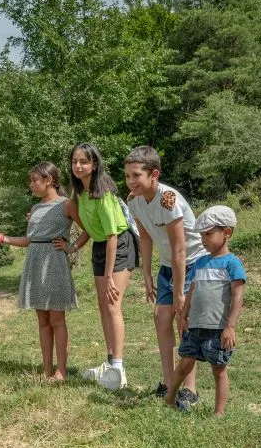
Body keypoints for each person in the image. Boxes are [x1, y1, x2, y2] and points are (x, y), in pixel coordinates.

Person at [124, 146, 208, 405]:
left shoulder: (167, 199)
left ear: (154, 174)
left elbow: (180, 249)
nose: (130, 181)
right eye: (127, 176)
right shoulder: (133, 201)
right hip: (167, 267)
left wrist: (180, 292)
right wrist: (146, 273)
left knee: (184, 321)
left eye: (136, 175)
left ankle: (190, 390)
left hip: (192, 263)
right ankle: (168, 381)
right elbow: (146, 237)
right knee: (161, 318)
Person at [0, 162, 78, 382]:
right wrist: (3, 239)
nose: (31, 185)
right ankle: (46, 369)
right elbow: (28, 240)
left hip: (54, 262)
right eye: (31, 180)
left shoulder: (66, 205)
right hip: (34, 264)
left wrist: (71, 247)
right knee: (42, 319)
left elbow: (88, 229)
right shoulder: (35, 209)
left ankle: (61, 371)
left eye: (35, 180)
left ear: (49, 180)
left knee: (56, 319)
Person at [55, 143, 138, 391]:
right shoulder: (78, 193)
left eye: (84, 162)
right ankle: (110, 361)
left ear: (94, 164)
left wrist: (111, 277)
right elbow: (89, 230)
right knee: (103, 305)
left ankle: (119, 370)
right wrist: (71, 247)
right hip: (101, 246)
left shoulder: (103, 194)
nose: (78, 166)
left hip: (119, 244)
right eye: (74, 162)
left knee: (113, 303)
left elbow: (112, 235)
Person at [165, 205, 245, 415]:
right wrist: (182, 317)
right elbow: (191, 292)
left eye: (209, 234)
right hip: (195, 328)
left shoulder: (232, 264)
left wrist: (230, 327)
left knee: (218, 370)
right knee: (184, 365)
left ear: (226, 233)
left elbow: (237, 297)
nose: (203, 239)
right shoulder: (200, 263)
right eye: (201, 235)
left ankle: (219, 413)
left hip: (217, 330)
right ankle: (169, 400)